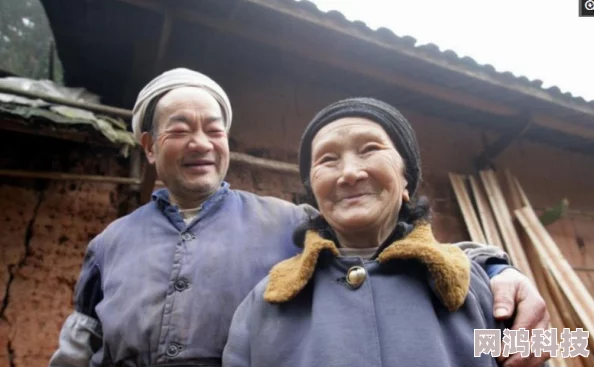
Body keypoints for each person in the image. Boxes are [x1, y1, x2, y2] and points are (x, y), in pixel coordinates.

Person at [49, 69, 549, 367]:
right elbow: (77, 347)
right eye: (180, 129)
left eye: (214, 129)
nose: (201, 142)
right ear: (149, 146)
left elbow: (387, 241)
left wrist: (498, 267)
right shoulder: (113, 245)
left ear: (407, 174)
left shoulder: (288, 222)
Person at [222, 97, 512, 366]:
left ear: (406, 180)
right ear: (315, 196)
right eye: (327, 159)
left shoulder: (475, 284)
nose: (349, 173)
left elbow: (537, 353)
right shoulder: (267, 302)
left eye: (370, 149)